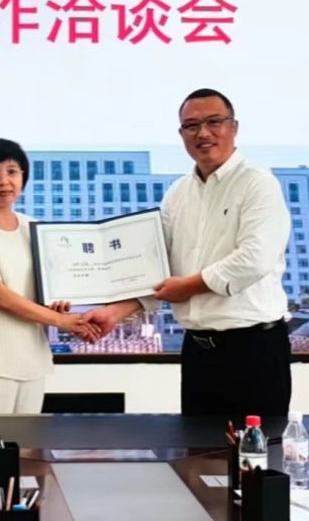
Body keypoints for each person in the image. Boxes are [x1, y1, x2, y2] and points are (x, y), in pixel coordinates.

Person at [82, 89, 293, 418]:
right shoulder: (178, 192)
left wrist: (188, 286)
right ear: (181, 134)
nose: (203, 133)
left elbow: (255, 258)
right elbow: (158, 265)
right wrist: (114, 313)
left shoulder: (258, 183)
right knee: (197, 446)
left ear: (234, 127)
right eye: (192, 126)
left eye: (214, 122)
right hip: (197, 351)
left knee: (254, 449)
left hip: (254, 349)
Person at [0, 137, 100, 414]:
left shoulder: (33, 227)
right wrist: (63, 321)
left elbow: (40, 288)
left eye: (12, 171)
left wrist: (55, 303)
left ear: (23, 178)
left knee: (28, 441)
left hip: (32, 359)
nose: (4, 181)